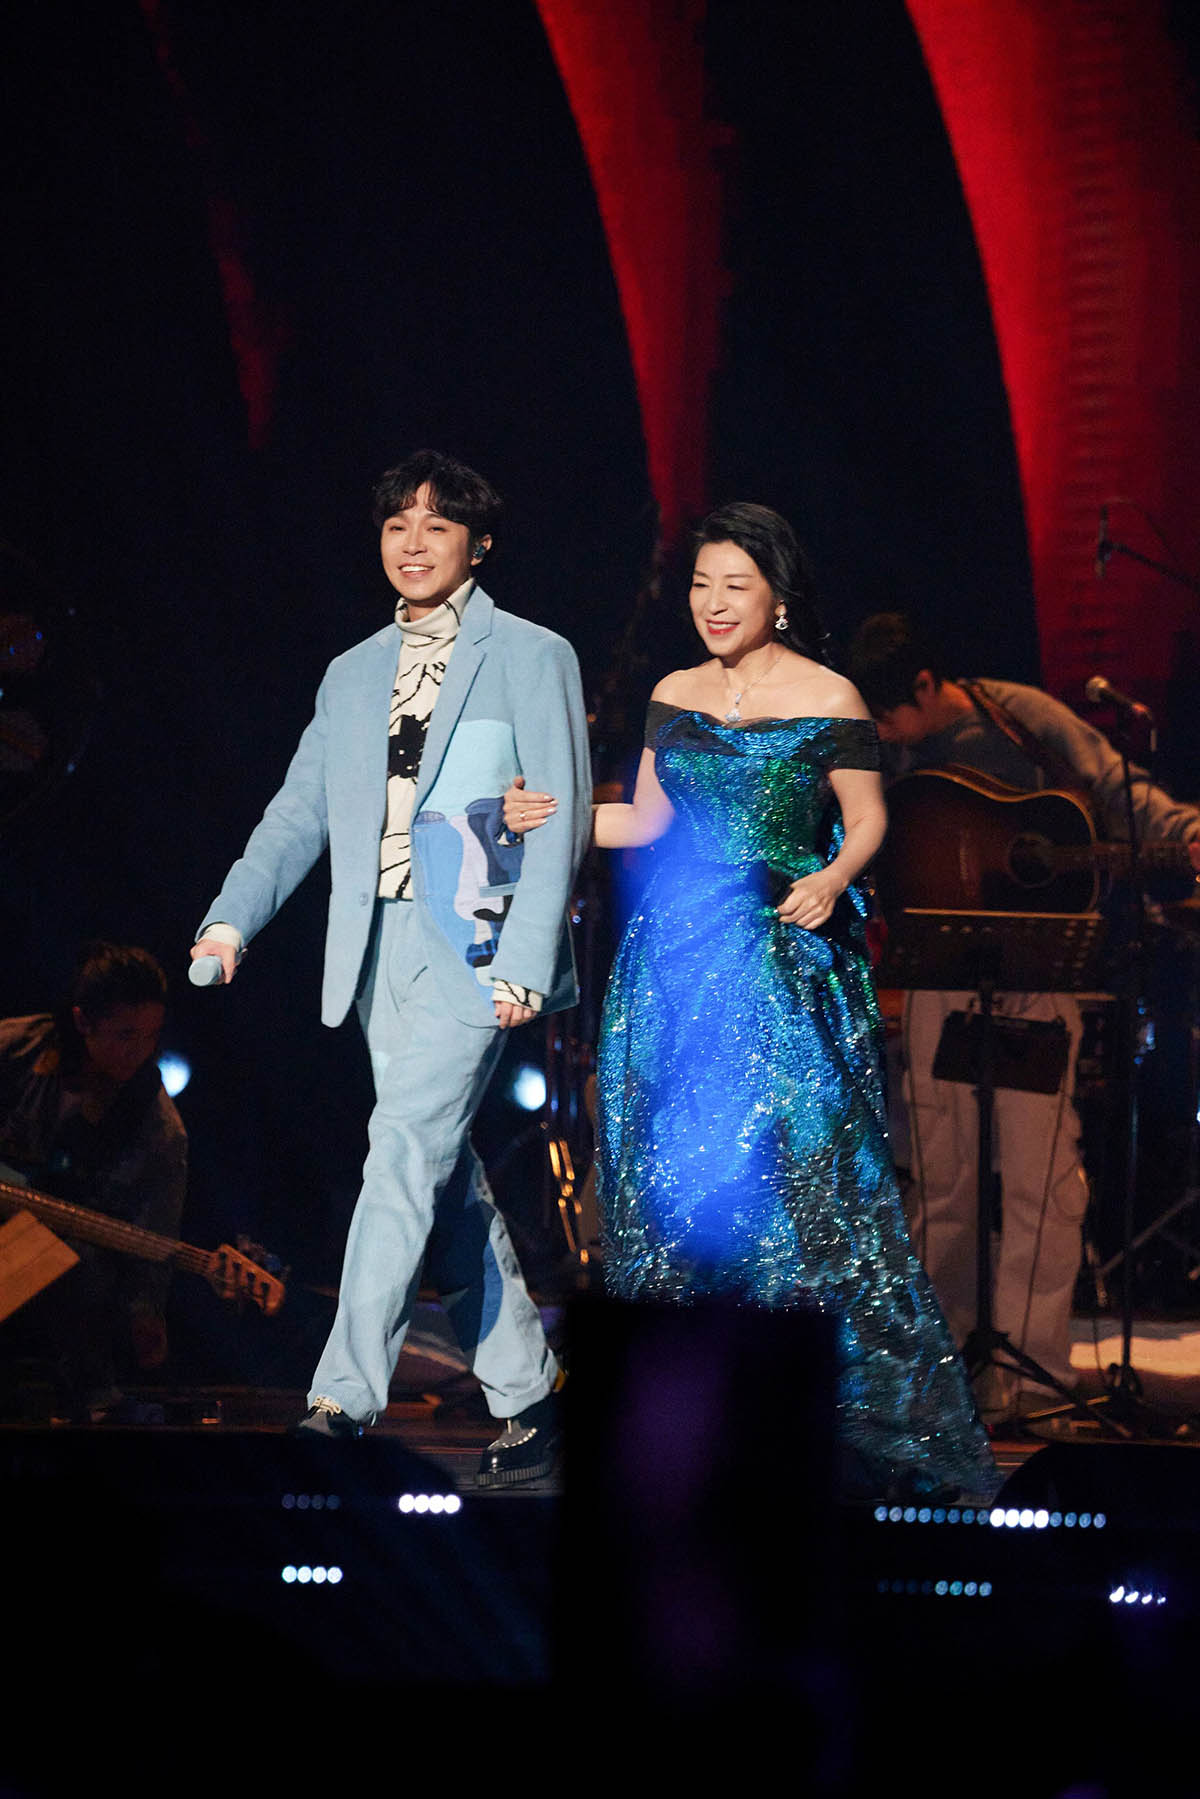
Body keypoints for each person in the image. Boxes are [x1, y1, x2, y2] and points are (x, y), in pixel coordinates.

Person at [506, 505, 996, 1499]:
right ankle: (685, 1425)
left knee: (804, 1183)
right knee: (672, 1186)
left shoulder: (830, 693)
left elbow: (869, 817)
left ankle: (840, 1424)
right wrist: (549, 817)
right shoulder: (673, 691)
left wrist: (832, 876)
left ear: (776, 594)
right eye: (701, 584)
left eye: (735, 584)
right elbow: (646, 820)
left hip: (779, 957)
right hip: (672, 968)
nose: (713, 603)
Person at [192, 450, 592, 1483]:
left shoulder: (532, 653)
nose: (413, 544)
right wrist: (232, 919)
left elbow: (561, 815)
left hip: (476, 946)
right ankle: (531, 1396)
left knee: (402, 1153)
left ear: (479, 542)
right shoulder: (353, 671)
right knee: (441, 1178)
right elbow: (299, 812)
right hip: (376, 949)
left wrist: (527, 958)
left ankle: (341, 1400)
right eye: (396, 525)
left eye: (437, 525)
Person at [846, 611, 1200, 1420]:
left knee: (1042, 1180)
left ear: (928, 685)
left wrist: (1185, 833)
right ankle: (939, 1369)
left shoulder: (1018, 716)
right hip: (939, 970)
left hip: (1038, 968)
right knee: (944, 1179)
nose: (883, 731)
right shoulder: (881, 751)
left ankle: (1030, 1373)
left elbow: (1118, 786)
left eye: (890, 713)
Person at [0, 942, 186, 1420]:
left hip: (50, 1253)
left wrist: (147, 1311)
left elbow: (158, 1224)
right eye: (126, 1035)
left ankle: (93, 1399)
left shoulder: (158, 1126)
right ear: (83, 1021)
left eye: (150, 1036)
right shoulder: (19, 1046)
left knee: (82, 1259)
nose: (139, 1051)